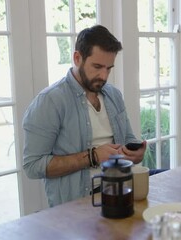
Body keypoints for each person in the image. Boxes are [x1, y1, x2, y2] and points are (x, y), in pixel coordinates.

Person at [22, 25, 146, 207]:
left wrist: (135, 154)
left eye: (109, 68)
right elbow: (32, 166)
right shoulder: (50, 101)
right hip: (77, 205)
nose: (104, 76)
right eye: (97, 67)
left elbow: (127, 139)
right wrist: (92, 157)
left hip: (120, 191)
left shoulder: (113, 95)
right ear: (77, 58)